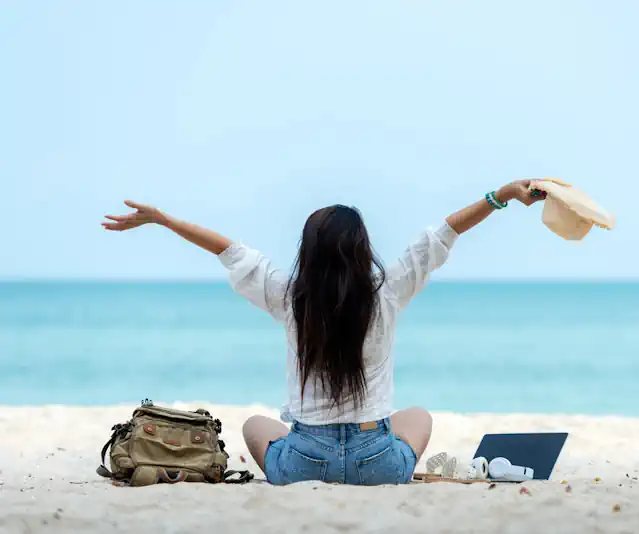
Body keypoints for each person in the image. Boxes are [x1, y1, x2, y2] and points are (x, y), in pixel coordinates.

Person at [102, 179, 546, 485]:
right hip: (379, 463)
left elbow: (228, 249)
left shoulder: (289, 296)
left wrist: (162, 219)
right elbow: (446, 232)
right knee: (419, 416)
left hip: (302, 463)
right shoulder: (389, 290)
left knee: (256, 424)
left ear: (308, 252)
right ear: (362, 247)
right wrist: (502, 193)